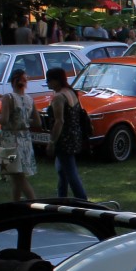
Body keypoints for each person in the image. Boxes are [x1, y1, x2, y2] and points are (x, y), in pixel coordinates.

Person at [46, 66, 88, 199]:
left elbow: (59, 121)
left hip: (64, 139)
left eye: (49, 80)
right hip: (74, 136)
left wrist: (52, 142)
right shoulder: (71, 92)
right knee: (62, 171)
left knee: (71, 174)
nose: (47, 83)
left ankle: (83, 201)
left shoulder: (59, 97)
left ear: (57, 81)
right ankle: (61, 198)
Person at [0, 71, 39, 200]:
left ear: (12, 82)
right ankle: (15, 204)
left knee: (18, 176)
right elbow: (38, 122)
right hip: (25, 140)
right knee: (15, 175)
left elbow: (4, 120)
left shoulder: (8, 97)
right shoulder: (29, 99)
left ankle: (35, 203)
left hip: (11, 141)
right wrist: (24, 121)